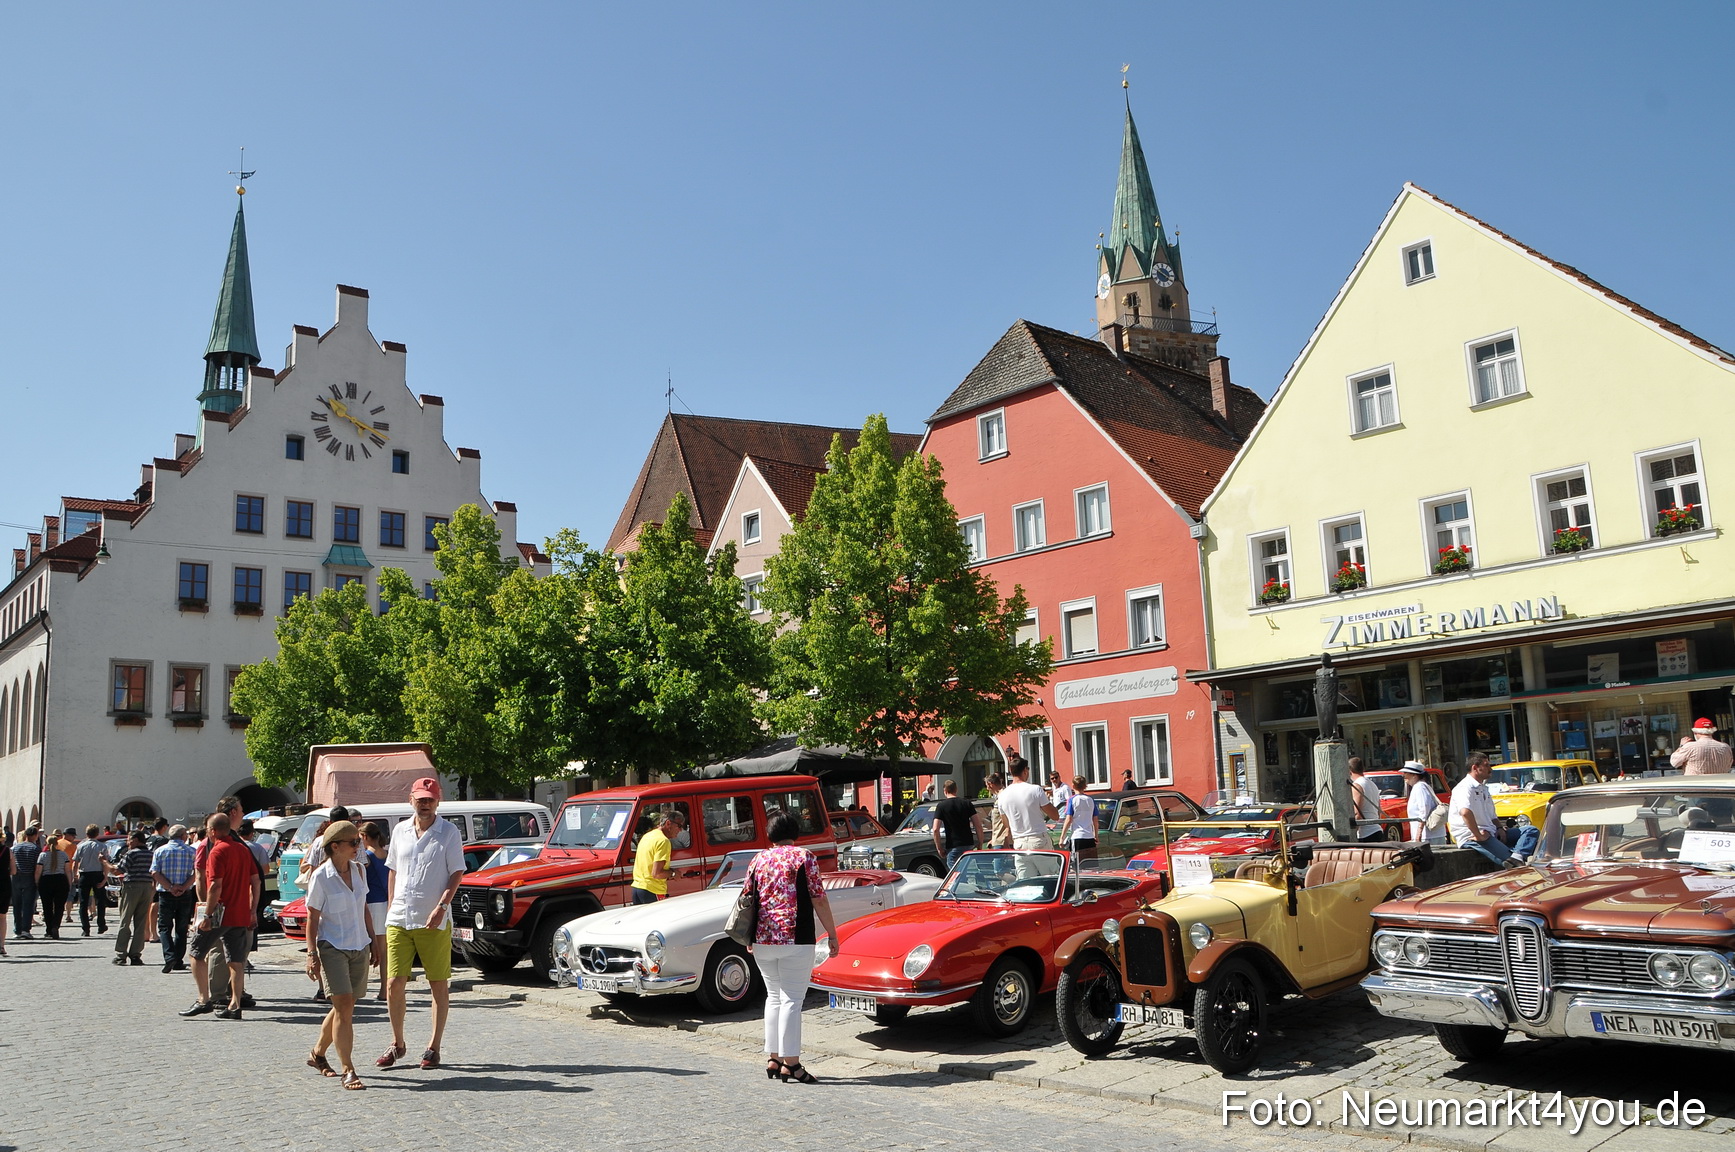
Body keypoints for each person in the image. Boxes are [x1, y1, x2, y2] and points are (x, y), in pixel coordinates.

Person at [379, 777, 465, 1071]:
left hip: (433, 919)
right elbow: (392, 870)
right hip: (400, 917)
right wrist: (391, 906)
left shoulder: (449, 832)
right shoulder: (400, 830)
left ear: (437, 801)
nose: (425, 804)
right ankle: (397, 1042)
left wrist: (442, 906)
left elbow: (456, 873)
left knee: (437, 984)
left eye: (430, 799)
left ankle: (433, 1046)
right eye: (420, 799)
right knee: (393, 983)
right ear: (411, 800)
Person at [746, 812, 839, 1085]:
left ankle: (774, 1058)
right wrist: (832, 934)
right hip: (795, 937)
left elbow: (747, 898)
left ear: (770, 834)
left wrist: (749, 936)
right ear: (795, 832)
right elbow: (818, 898)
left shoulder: (758, 859)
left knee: (773, 997)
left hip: (762, 938)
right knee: (791, 1000)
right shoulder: (804, 857)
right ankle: (792, 1063)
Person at [304, 821, 383, 1090]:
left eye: (358, 842)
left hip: (359, 945)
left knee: (345, 1006)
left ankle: (317, 1053)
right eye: (353, 843)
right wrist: (311, 954)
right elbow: (312, 917)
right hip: (332, 946)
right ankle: (348, 1069)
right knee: (344, 1006)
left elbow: (364, 908)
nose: (358, 847)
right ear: (335, 846)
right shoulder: (321, 877)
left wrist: (373, 941)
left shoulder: (360, 871)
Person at [182, 812, 259, 1019]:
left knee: (196, 953)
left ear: (213, 831)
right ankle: (234, 1004)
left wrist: (206, 915)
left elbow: (215, 885)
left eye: (207, 829)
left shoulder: (217, 851)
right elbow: (256, 880)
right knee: (236, 960)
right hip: (240, 913)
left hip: (219, 912)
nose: (207, 833)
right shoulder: (243, 849)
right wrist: (252, 909)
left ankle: (203, 999)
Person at [1449, 752, 1539, 867]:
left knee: (1531, 831)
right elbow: (1465, 812)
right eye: (1486, 765)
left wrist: (1500, 828)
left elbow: (1492, 815)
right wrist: (1478, 835)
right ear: (1475, 768)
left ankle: (1516, 857)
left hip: (1491, 832)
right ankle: (1514, 860)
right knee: (1511, 864)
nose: (1490, 769)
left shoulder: (1483, 788)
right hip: (1472, 836)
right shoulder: (1464, 788)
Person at [151, 825, 197, 973]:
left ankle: (169, 956)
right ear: (183, 836)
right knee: (181, 928)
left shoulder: (160, 851)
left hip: (166, 893)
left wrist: (170, 887)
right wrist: (183, 886)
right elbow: (196, 873)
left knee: (164, 927)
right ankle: (178, 960)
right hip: (185, 893)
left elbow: (155, 872)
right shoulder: (191, 851)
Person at [112, 830, 155, 965]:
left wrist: (104, 862)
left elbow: (118, 870)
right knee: (141, 922)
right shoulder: (150, 854)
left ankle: (121, 954)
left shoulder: (131, 854)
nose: (128, 843)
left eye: (129, 840)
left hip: (131, 887)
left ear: (136, 840)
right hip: (147, 886)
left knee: (125, 920)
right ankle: (136, 954)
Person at [996, 756, 1057, 850]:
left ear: (1011, 772)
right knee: (1050, 865)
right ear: (1025, 770)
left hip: (1019, 842)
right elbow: (1055, 816)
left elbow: (1006, 823)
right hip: (1038, 839)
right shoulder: (1035, 789)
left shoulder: (1002, 796)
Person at [360, 821, 391, 1001]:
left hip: (372, 904)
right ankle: (384, 988)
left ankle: (381, 990)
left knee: (373, 948)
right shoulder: (386, 854)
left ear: (364, 837)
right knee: (385, 949)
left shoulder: (366, 856)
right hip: (388, 902)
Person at [629, 809, 686, 905]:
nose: (680, 830)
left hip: (637, 888)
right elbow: (657, 873)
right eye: (679, 826)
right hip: (652, 890)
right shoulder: (663, 841)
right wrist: (673, 873)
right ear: (668, 823)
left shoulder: (647, 836)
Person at [931, 780, 983, 872]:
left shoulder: (941, 806)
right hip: (968, 843)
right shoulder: (967, 803)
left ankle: (962, 885)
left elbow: (935, 829)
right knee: (968, 871)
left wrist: (939, 848)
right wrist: (980, 843)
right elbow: (978, 825)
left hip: (953, 845)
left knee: (955, 873)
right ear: (956, 789)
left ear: (945, 791)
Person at [73, 823, 111, 936]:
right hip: (97, 873)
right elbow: (105, 863)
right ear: (97, 834)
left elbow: (75, 861)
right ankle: (101, 924)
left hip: (84, 874)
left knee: (83, 902)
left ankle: (85, 928)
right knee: (100, 901)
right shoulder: (102, 846)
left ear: (86, 834)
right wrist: (105, 877)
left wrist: (75, 875)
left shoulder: (80, 846)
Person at [34, 828, 73, 939]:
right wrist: (69, 883)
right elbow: (67, 870)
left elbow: (38, 871)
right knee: (59, 906)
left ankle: (49, 929)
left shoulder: (43, 855)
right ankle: (56, 925)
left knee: (47, 906)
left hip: (46, 881)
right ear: (57, 844)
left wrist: (37, 882)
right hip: (61, 880)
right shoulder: (63, 855)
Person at [1057, 776, 1099, 862]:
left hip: (1077, 836)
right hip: (1089, 837)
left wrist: (1062, 837)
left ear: (1073, 785)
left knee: (1076, 866)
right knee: (1091, 865)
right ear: (1085, 786)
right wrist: (1096, 835)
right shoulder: (1090, 800)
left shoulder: (1072, 799)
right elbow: (1095, 819)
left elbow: (1069, 819)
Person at [1402, 762, 1445, 844]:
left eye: (1406, 773)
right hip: (1430, 835)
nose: (1403, 775)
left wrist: (1419, 832)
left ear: (1414, 775)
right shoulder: (1422, 786)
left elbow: (1424, 808)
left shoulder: (1419, 787)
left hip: (1428, 836)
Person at [10, 827, 42, 940]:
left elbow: (11, 862)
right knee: (28, 904)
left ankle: (17, 929)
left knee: (17, 904)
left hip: (16, 876)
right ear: (35, 835)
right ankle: (25, 930)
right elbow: (37, 865)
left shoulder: (15, 848)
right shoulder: (36, 849)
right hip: (29, 877)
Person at [1348, 758, 1385, 842]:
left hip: (1365, 834)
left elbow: (1357, 813)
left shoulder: (1357, 785)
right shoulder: (1372, 784)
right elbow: (1378, 810)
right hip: (1377, 830)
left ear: (1350, 771)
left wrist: (1352, 834)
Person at [983, 772, 1011, 848]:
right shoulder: (999, 797)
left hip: (1003, 840)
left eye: (987, 786)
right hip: (998, 839)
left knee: (999, 860)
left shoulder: (1004, 796)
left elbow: (1008, 818)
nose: (987, 789)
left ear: (990, 784)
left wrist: (1007, 836)